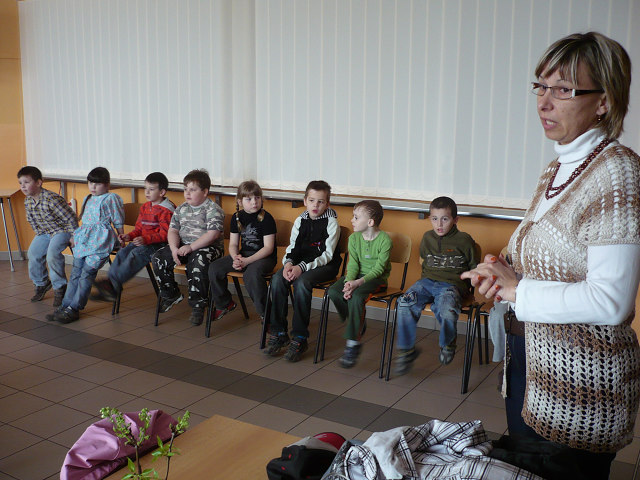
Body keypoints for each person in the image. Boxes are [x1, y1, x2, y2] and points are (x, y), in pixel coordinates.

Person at [461, 32, 640, 480]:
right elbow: (542, 256)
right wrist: (499, 269)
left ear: (603, 101)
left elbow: (611, 302)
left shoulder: (617, 172)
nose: (543, 102)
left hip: (581, 388)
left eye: (563, 89)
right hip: (532, 366)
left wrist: (517, 290)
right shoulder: (557, 169)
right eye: (540, 86)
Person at [393, 196, 477, 374]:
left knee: (446, 308)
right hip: (427, 282)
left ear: (455, 220)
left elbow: (473, 268)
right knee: (404, 303)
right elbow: (425, 261)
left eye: (445, 219)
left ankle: (448, 343)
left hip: (451, 285)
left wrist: (468, 288)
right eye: (434, 219)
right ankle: (406, 350)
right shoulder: (427, 238)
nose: (439, 224)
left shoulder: (464, 240)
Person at [264, 180, 341, 362]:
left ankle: (300, 337)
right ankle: (279, 332)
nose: (316, 205)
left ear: (327, 204)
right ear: (305, 201)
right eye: (312, 200)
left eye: (321, 201)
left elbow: (326, 255)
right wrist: (289, 263)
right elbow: (293, 247)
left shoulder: (331, 222)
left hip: (325, 266)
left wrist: (302, 268)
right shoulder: (300, 220)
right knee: (277, 279)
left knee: (302, 283)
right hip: (300, 264)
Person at [46, 167, 124, 323]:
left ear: (107, 185)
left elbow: (118, 218)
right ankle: (65, 305)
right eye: (90, 183)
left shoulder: (111, 198)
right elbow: (84, 222)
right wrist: (74, 236)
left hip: (100, 241)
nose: (93, 187)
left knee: (86, 274)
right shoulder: (88, 198)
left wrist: (122, 236)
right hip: (84, 241)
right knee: (76, 273)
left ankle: (74, 308)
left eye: (97, 184)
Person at [152, 169, 224, 327]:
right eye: (185, 189)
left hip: (208, 248)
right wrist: (173, 249)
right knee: (158, 258)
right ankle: (171, 294)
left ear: (205, 192)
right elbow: (173, 231)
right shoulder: (181, 209)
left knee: (198, 262)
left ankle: (198, 305)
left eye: (192, 189)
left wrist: (191, 247)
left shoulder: (213, 209)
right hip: (184, 246)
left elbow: (212, 234)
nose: (187, 193)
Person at [92, 172, 175, 303]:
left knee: (135, 254)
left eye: (151, 189)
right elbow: (139, 229)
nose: (147, 192)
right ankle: (112, 287)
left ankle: (111, 285)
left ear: (162, 192)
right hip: (144, 242)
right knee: (122, 253)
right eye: (145, 188)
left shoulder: (167, 210)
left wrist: (145, 239)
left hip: (160, 246)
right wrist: (129, 236)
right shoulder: (145, 207)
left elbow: (165, 235)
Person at [327, 200, 391, 368]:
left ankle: (352, 344)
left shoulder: (384, 240)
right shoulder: (354, 238)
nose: (352, 220)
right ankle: (356, 321)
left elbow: (379, 269)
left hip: (375, 279)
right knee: (333, 291)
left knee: (356, 298)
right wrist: (349, 283)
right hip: (355, 277)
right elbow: (353, 264)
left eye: (356, 217)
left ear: (370, 222)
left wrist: (357, 283)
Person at [208, 180, 277, 321]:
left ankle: (267, 316)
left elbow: (268, 248)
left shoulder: (267, 218)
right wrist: (236, 258)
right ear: (240, 201)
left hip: (264, 258)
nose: (254, 202)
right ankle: (224, 303)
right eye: (249, 199)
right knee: (214, 268)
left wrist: (246, 261)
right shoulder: (237, 217)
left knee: (251, 275)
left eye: (257, 197)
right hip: (244, 256)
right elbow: (233, 244)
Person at [18, 166, 78, 307]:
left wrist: (74, 236)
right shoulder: (28, 200)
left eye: (26, 182)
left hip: (61, 230)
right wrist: (39, 235)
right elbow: (31, 220)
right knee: (33, 253)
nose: (23, 186)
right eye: (20, 183)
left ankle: (60, 287)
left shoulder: (52, 199)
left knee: (52, 255)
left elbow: (71, 218)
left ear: (39, 183)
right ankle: (42, 283)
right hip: (44, 232)